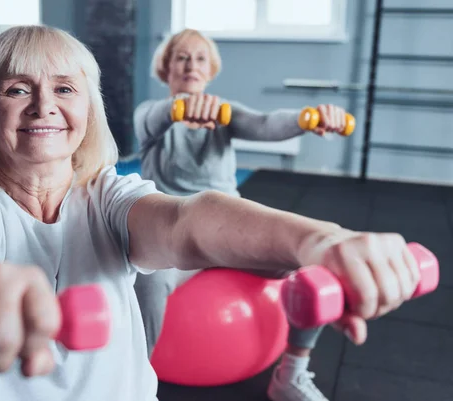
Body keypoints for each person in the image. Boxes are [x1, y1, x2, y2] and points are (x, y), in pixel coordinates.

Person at [0, 25, 419, 401]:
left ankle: (295, 366)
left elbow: (186, 220)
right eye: (16, 88)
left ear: (87, 111)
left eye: (65, 88)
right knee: (154, 286)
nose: (43, 104)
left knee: (289, 265)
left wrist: (323, 241)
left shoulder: (107, 196)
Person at [132, 28, 358, 401]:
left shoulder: (227, 113)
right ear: (166, 68)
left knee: (311, 264)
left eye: (200, 58)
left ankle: (292, 374)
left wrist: (309, 118)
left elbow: (267, 124)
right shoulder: (150, 116)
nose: (191, 65)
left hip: (229, 231)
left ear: (211, 70)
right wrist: (180, 108)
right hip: (175, 237)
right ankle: (134, 382)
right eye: (182, 57)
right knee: (150, 280)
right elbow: (155, 117)